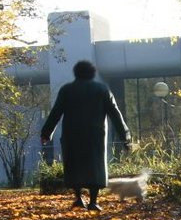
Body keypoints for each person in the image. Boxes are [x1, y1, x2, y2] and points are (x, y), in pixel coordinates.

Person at [40, 59, 131, 211]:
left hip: (72, 135)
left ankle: (78, 198)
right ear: (92, 73)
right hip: (95, 136)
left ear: (76, 73)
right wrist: (125, 137)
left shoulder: (66, 90)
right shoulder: (102, 89)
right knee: (95, 166)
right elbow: (115, 114)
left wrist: (46, 133)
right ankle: (93, 201)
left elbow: (56, 112)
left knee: (74, 166)